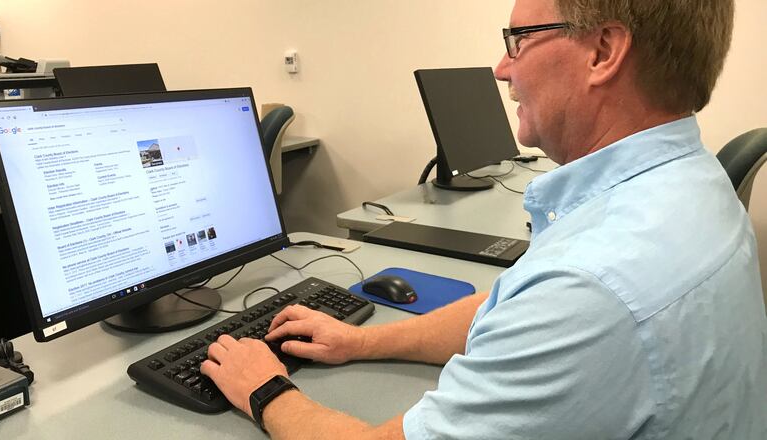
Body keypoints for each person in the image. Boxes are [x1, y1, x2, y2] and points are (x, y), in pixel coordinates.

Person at [201, 0, 767, 438]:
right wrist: (359, 342)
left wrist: (265, 389)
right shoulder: (692, 184)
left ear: (602, 52)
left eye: (518, 39)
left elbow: (560, 305)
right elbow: (515, 306)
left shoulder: (590, 288)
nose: (501, 67)